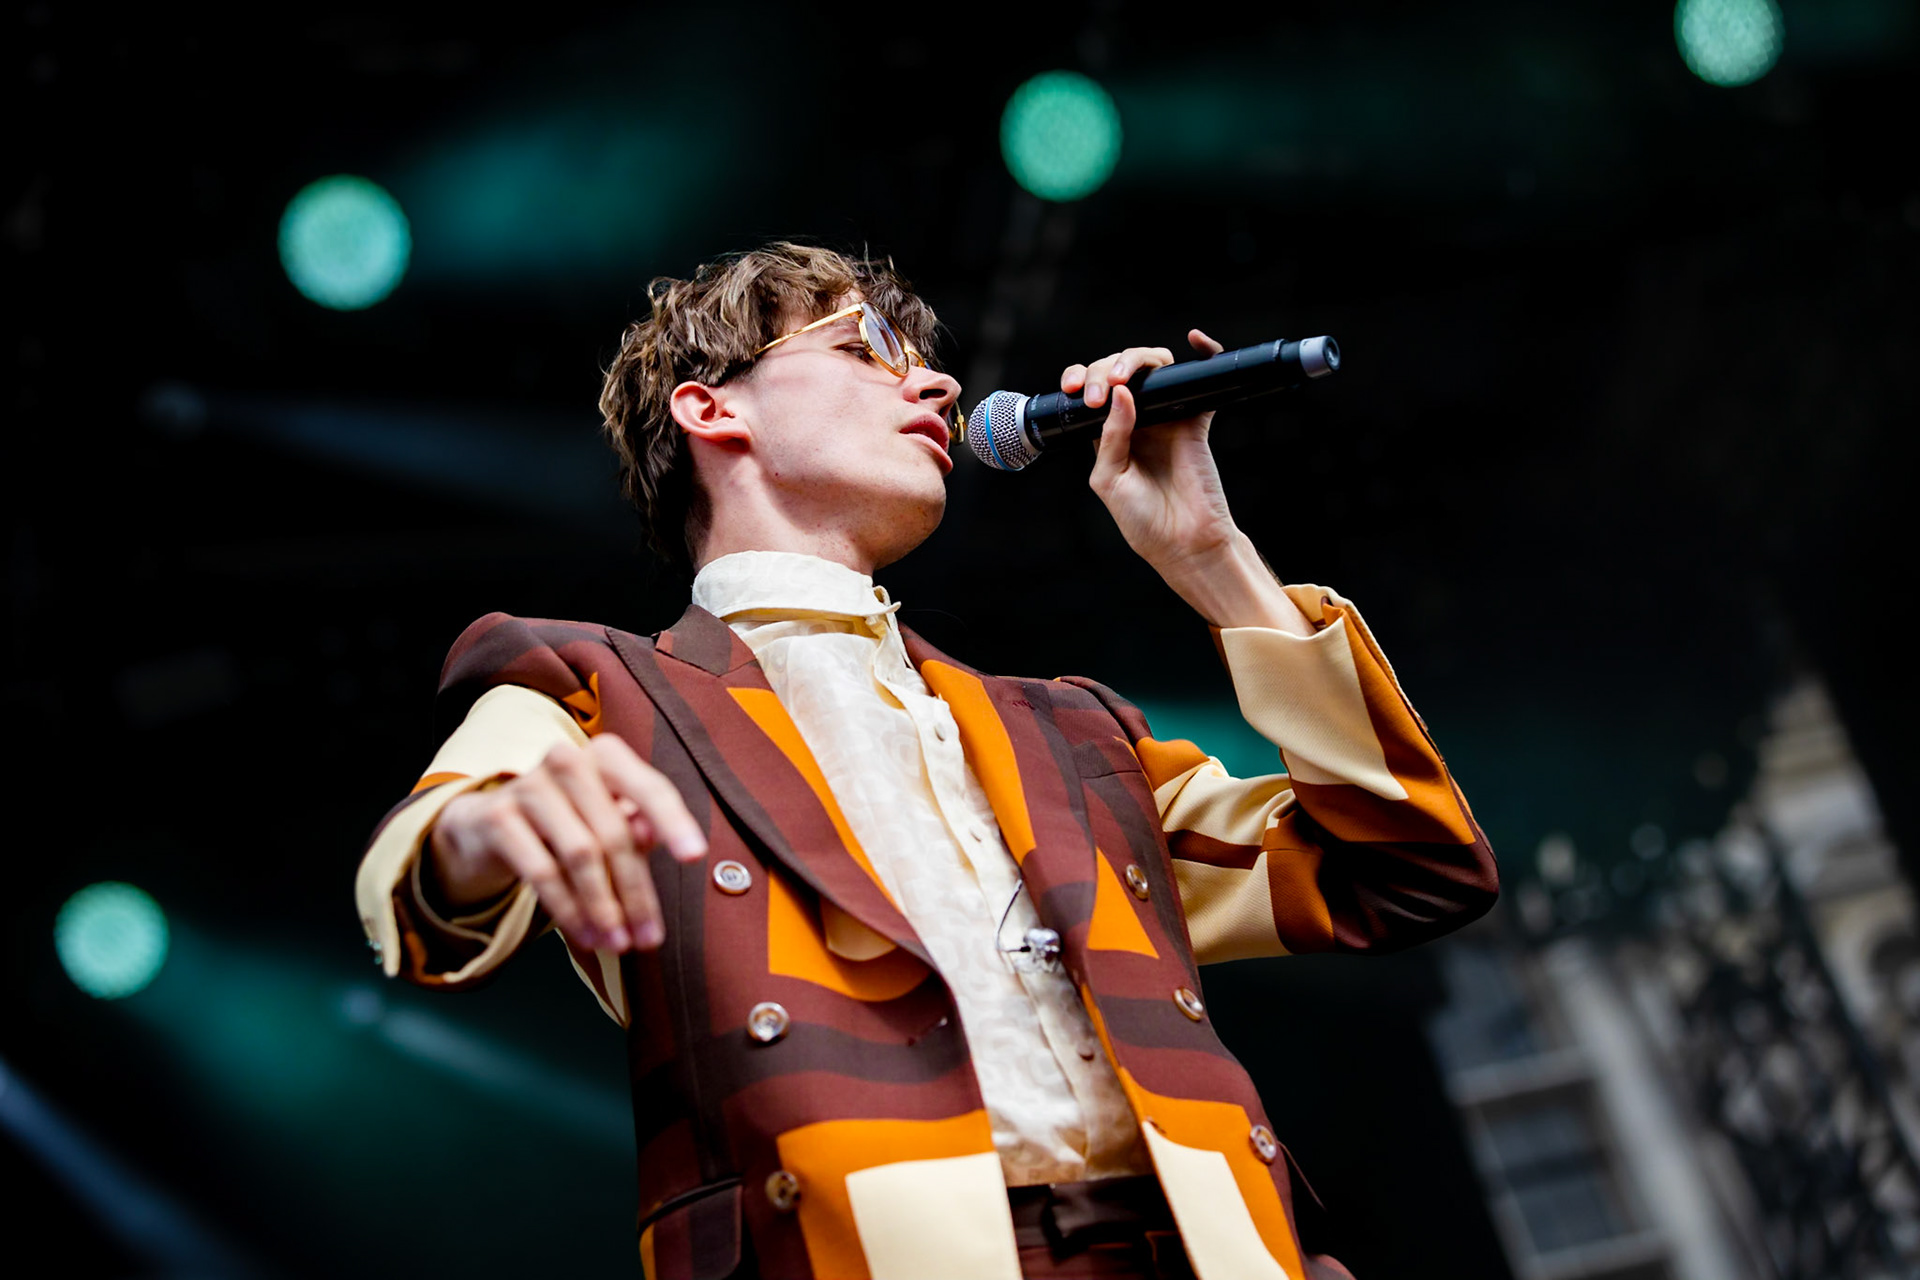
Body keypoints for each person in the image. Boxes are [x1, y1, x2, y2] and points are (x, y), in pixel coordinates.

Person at [354, 242, 1498, 1280]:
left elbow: (1406, 864)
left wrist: (1211, 558)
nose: (940, 386)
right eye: (863, 350)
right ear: (710, 409)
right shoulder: (600, 692)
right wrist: (484, 832)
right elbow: (423, 872)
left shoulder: (1072, 734)